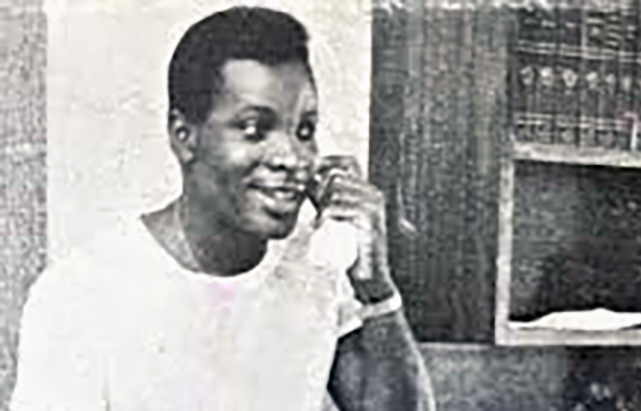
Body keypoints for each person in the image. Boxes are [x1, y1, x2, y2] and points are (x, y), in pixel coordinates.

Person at [11, 7, 434, 411]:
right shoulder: (81, 294)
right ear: (184, 137)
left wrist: (377, 290)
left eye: (304, 131)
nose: (291, 157)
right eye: (254, 129)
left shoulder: (318, 271)